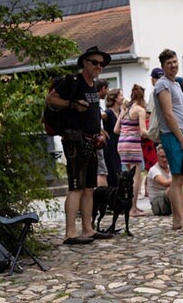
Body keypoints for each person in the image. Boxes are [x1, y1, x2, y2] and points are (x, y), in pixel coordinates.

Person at [45, 46, 113, 244]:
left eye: (101, 63)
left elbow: (91, 113)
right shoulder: (72, 82)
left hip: (91, 141)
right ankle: (70, 233)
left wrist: (99, 130)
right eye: (94, 62)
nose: (98, 66)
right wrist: (72, 105)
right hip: (76, 140)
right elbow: (51, 99)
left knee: (89, 187)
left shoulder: (92, 85)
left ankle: (88, 229)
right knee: (76, 187)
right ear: (85, 62)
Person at [152, 49, 183, 234]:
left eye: (174, 61)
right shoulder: (163, 85)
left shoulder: (176, 84)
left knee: (179, 179)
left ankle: (176, 221)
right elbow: (168, 114)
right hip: (172, 135)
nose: (173, 65)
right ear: (163, 67)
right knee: (177, 179)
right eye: (169, 63)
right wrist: (181, 139)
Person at [115, 84, 149, 217]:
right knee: (136, 177)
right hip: (133, 145)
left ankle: (129, 206)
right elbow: (142, 131)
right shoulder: (140, 110)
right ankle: (133, 208)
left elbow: (116, 130)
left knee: (127, 177)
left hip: (121, 144)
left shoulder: (124, 109)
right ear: (142, 96)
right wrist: (154, 134)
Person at [103, 88, 123, 187]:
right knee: (113, 169)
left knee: (120, 168)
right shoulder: (108, 113)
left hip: (120, 143)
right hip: (111, 144)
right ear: (115, 98)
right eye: (120, 95)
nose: (122, 97)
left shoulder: (121, 111)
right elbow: (99, 116)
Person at [96, 79, 109, 188]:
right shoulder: (94, 101)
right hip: (96, 139)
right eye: (107, 89)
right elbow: (96, 116)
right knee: (101, 171)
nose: (107, 92)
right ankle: (102, 197)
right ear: (103, 89)